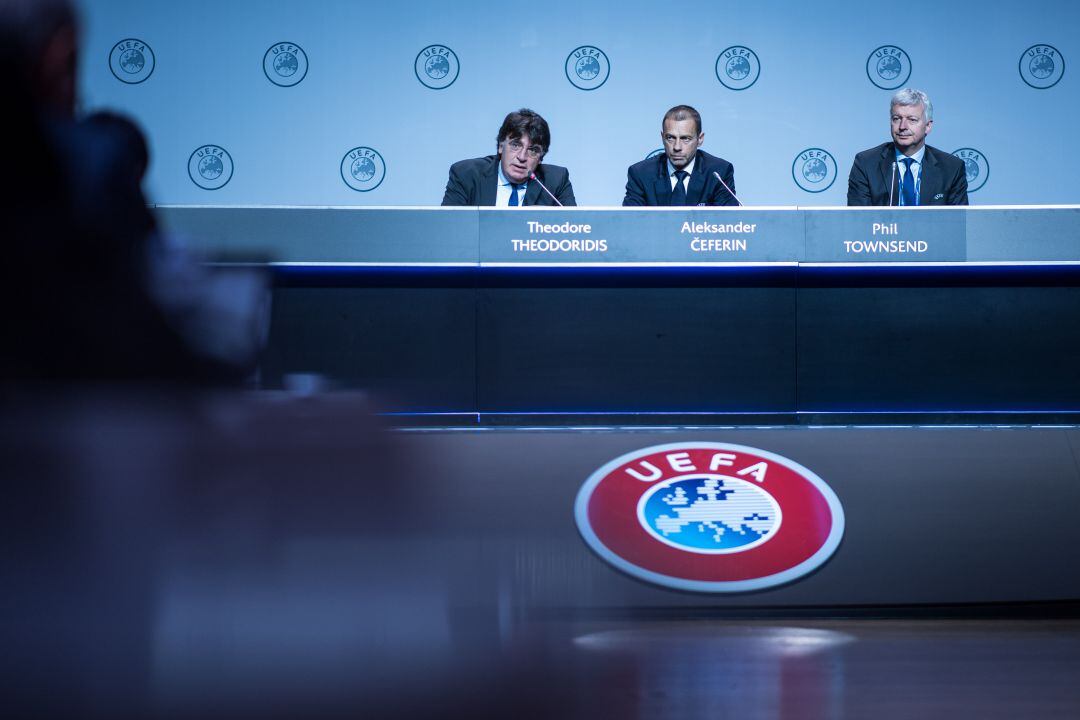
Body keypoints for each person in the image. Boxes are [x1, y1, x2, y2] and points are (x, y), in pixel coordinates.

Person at [847, 88, 968, 206]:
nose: (902, 126)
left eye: (912, 120)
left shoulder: (952, 168)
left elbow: (957, 222)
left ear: (928, 126)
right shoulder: (866, 163)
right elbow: (859, 220)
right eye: (896, 119)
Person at [441, 108, 576, 206]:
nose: (522, 157)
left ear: (541, 157)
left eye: (533, 150)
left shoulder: (556, 181)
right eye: (516, 145)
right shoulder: (466, 175)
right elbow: (450, 229)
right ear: (501, 146)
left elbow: (573, 231)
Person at [623, 105, 737, 206]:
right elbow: (631, 223)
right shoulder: (640, 174)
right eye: (670, 138)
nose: (677, 147)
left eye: (685, 139)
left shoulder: (719, 172)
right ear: (662, 137)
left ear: (700, 139)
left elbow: (728, 223)